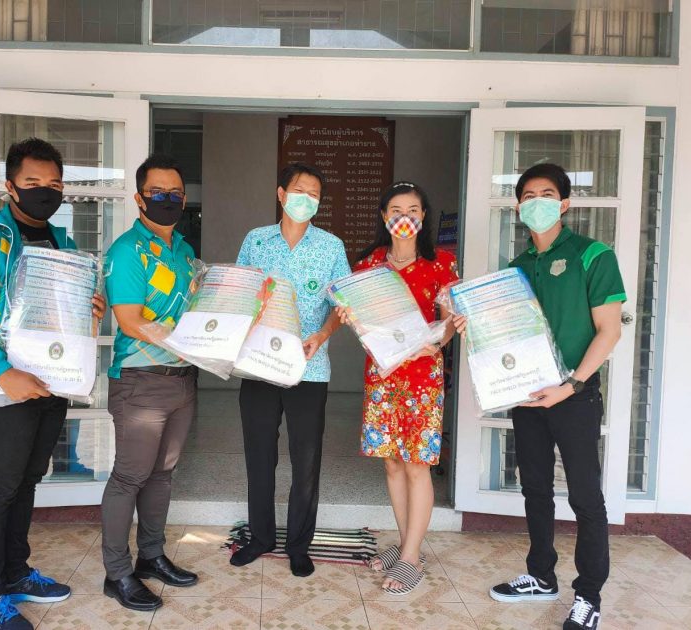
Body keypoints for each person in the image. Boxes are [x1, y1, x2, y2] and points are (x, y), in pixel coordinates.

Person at [0, 138, 106, 630]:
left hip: (50, 384)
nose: (44, 191)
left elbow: (60, 315)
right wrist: (1, 372)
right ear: (10, 186)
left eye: (54, 183)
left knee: (26, 482)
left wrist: (88, 312)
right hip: (2, 388)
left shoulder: (62, 244)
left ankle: (14, 573)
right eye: (33, 182)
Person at [456, 163, 625, 630]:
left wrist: (570, 385)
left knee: (585, 497)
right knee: (534, 488)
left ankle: (588, 595)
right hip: (527, 395)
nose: (537, 203)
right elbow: (503, 334)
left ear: (564, 204)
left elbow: (609, 331)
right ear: (518, 207)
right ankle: (541, 575)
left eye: (547, 194)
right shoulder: (517, 267)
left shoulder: (593, 255)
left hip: (574, 395)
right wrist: (474, 324)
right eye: (528, 196)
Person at [230, 162, 352, 577]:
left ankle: (299, 545)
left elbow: (342, 304)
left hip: (309, 368)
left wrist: (323, 334)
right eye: (300, 191)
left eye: (314, 194)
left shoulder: (331, 246)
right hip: (259, 365)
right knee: (259, 455)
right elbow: (241, 292)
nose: (306, 199)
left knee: (306, 460)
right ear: (281, 194)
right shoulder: (256, 240)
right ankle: (261, 537)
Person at [339, 182, 458, 594]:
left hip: (423, 377)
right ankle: (409, 545)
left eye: (412, 210)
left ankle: (410, 557)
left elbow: (449, 321)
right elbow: (360, 322)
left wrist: (438, 342)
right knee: (391, 463)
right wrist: (351, 318)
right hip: (383, 375)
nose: (404, 217)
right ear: (384, 216)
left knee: (416, 464)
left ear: (423, 216)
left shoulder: (442, 263)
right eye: (395, 210)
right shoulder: (368, 264)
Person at [100, 154, 199, 612]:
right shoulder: (127, 251)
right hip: (140, 380)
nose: (167, 199)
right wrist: (184, 342)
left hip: (181, 380)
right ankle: (117, 573)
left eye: (175, 193)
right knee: (130, 477)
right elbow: (129, 320)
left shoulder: (185, 251)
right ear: (139, 198)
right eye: (158, 192)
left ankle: (151, 556)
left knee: (162, 474)